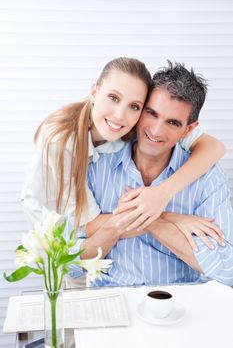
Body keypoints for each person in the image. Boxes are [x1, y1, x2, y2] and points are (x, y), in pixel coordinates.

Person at [69, 61, 233, 287]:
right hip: (114, 295)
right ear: (139, 109)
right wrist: (128, 223)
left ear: (189, 130)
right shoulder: (95, 164)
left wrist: (152, 221)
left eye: (172, 123)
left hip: (182, 301)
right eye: (151, 113)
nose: (155, 131)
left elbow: (227, 268)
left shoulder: (207, 176)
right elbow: (72, 264)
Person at [21, 57, 225, 236]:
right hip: (57, 238)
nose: (120, 115)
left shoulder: (144, 127)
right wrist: (175, 219)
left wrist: (162, 193)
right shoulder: (62, 144)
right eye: (113, 98)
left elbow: (215, 148)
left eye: (134, 106)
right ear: (94, 91)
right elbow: (89, 224)